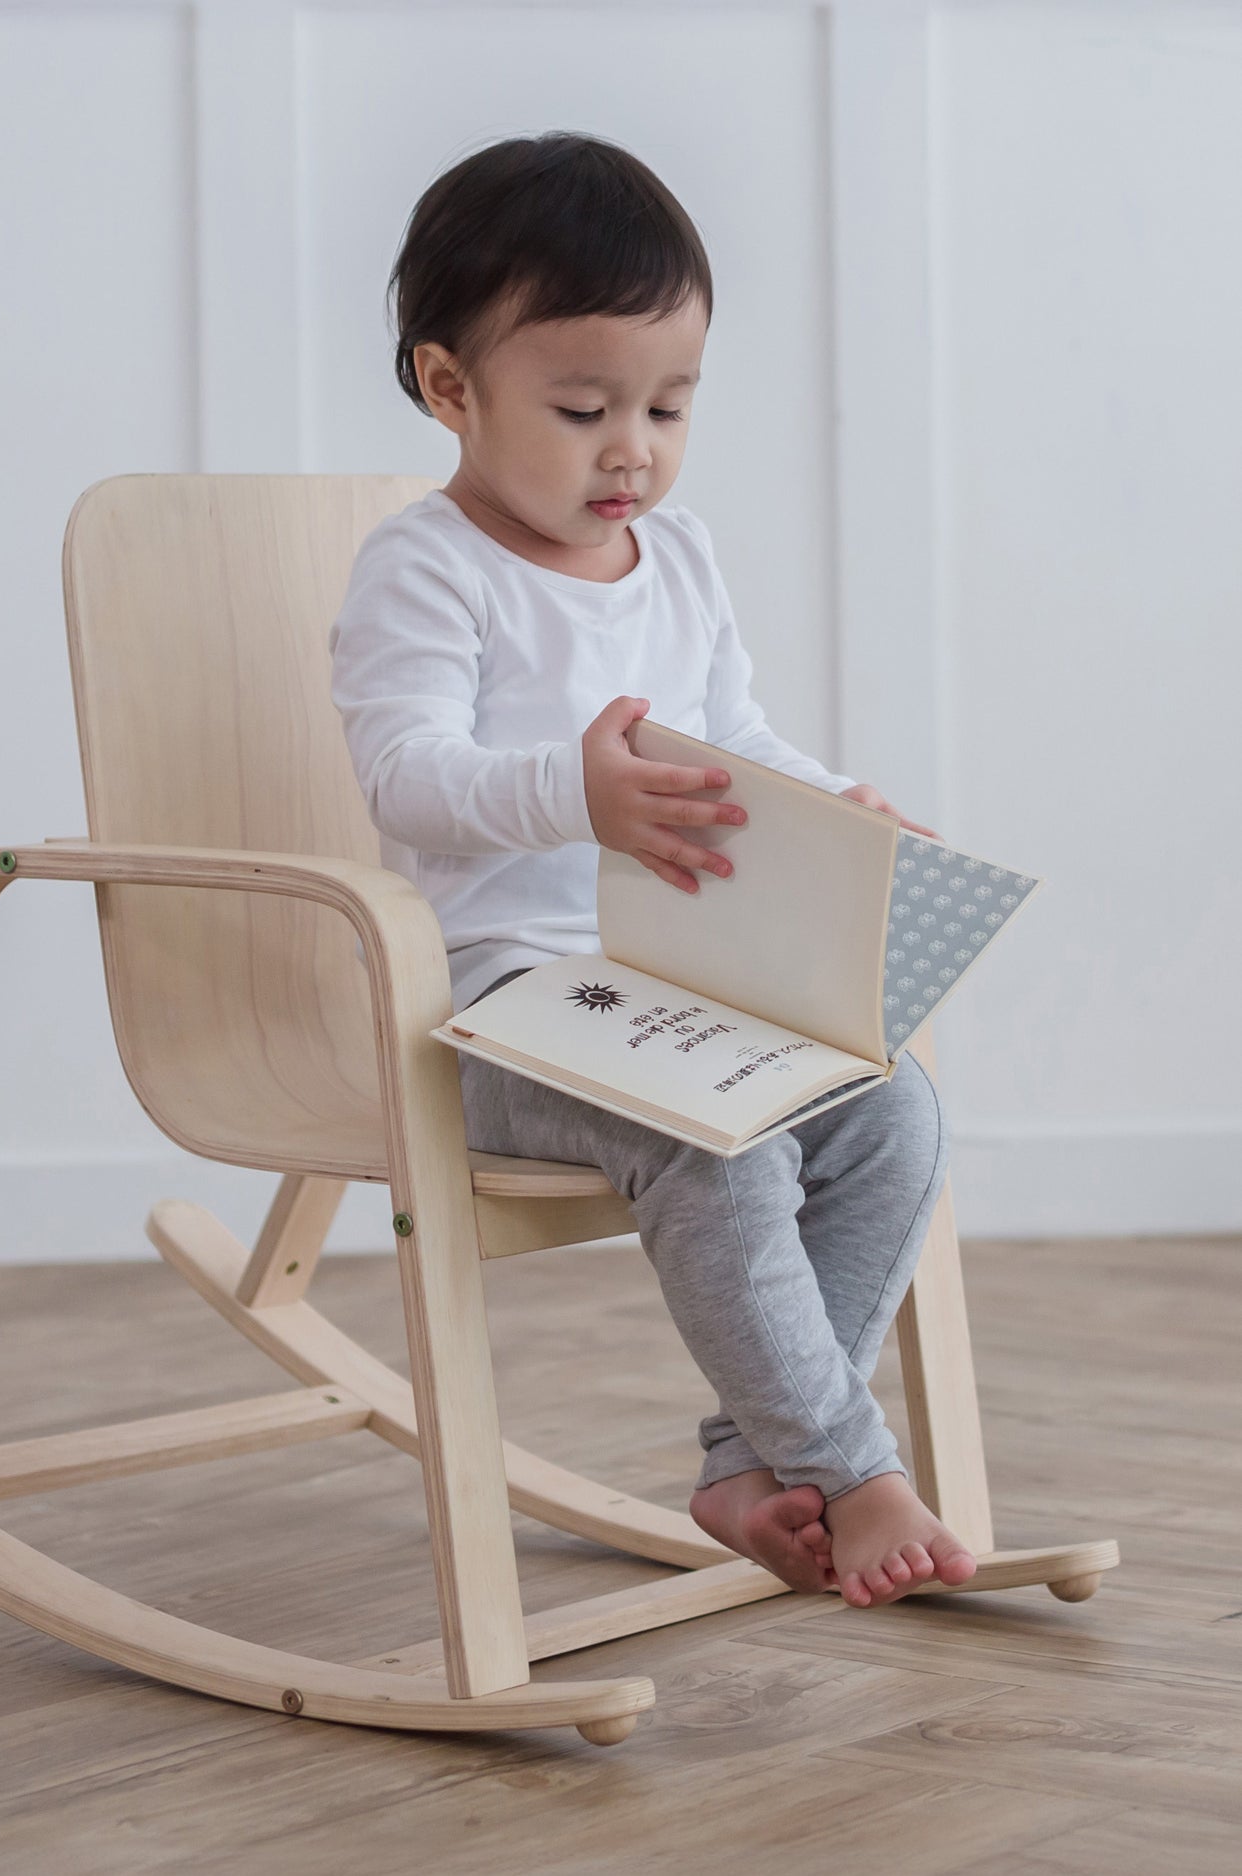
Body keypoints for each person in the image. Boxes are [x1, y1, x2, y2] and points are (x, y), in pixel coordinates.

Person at [328, 132, 978, 1609]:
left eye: (669, 405)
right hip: (489, 1005)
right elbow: (402, 774)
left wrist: (836, 809)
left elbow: (734, 739)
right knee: (718, 1136)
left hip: (674, 983)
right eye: (581, 408)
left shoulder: (674, 560)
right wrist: (579, 793)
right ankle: (846, 1464)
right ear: (450, 389)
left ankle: (743, 1457)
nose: (632, 446)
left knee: (894, 1117)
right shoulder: (423, 570)